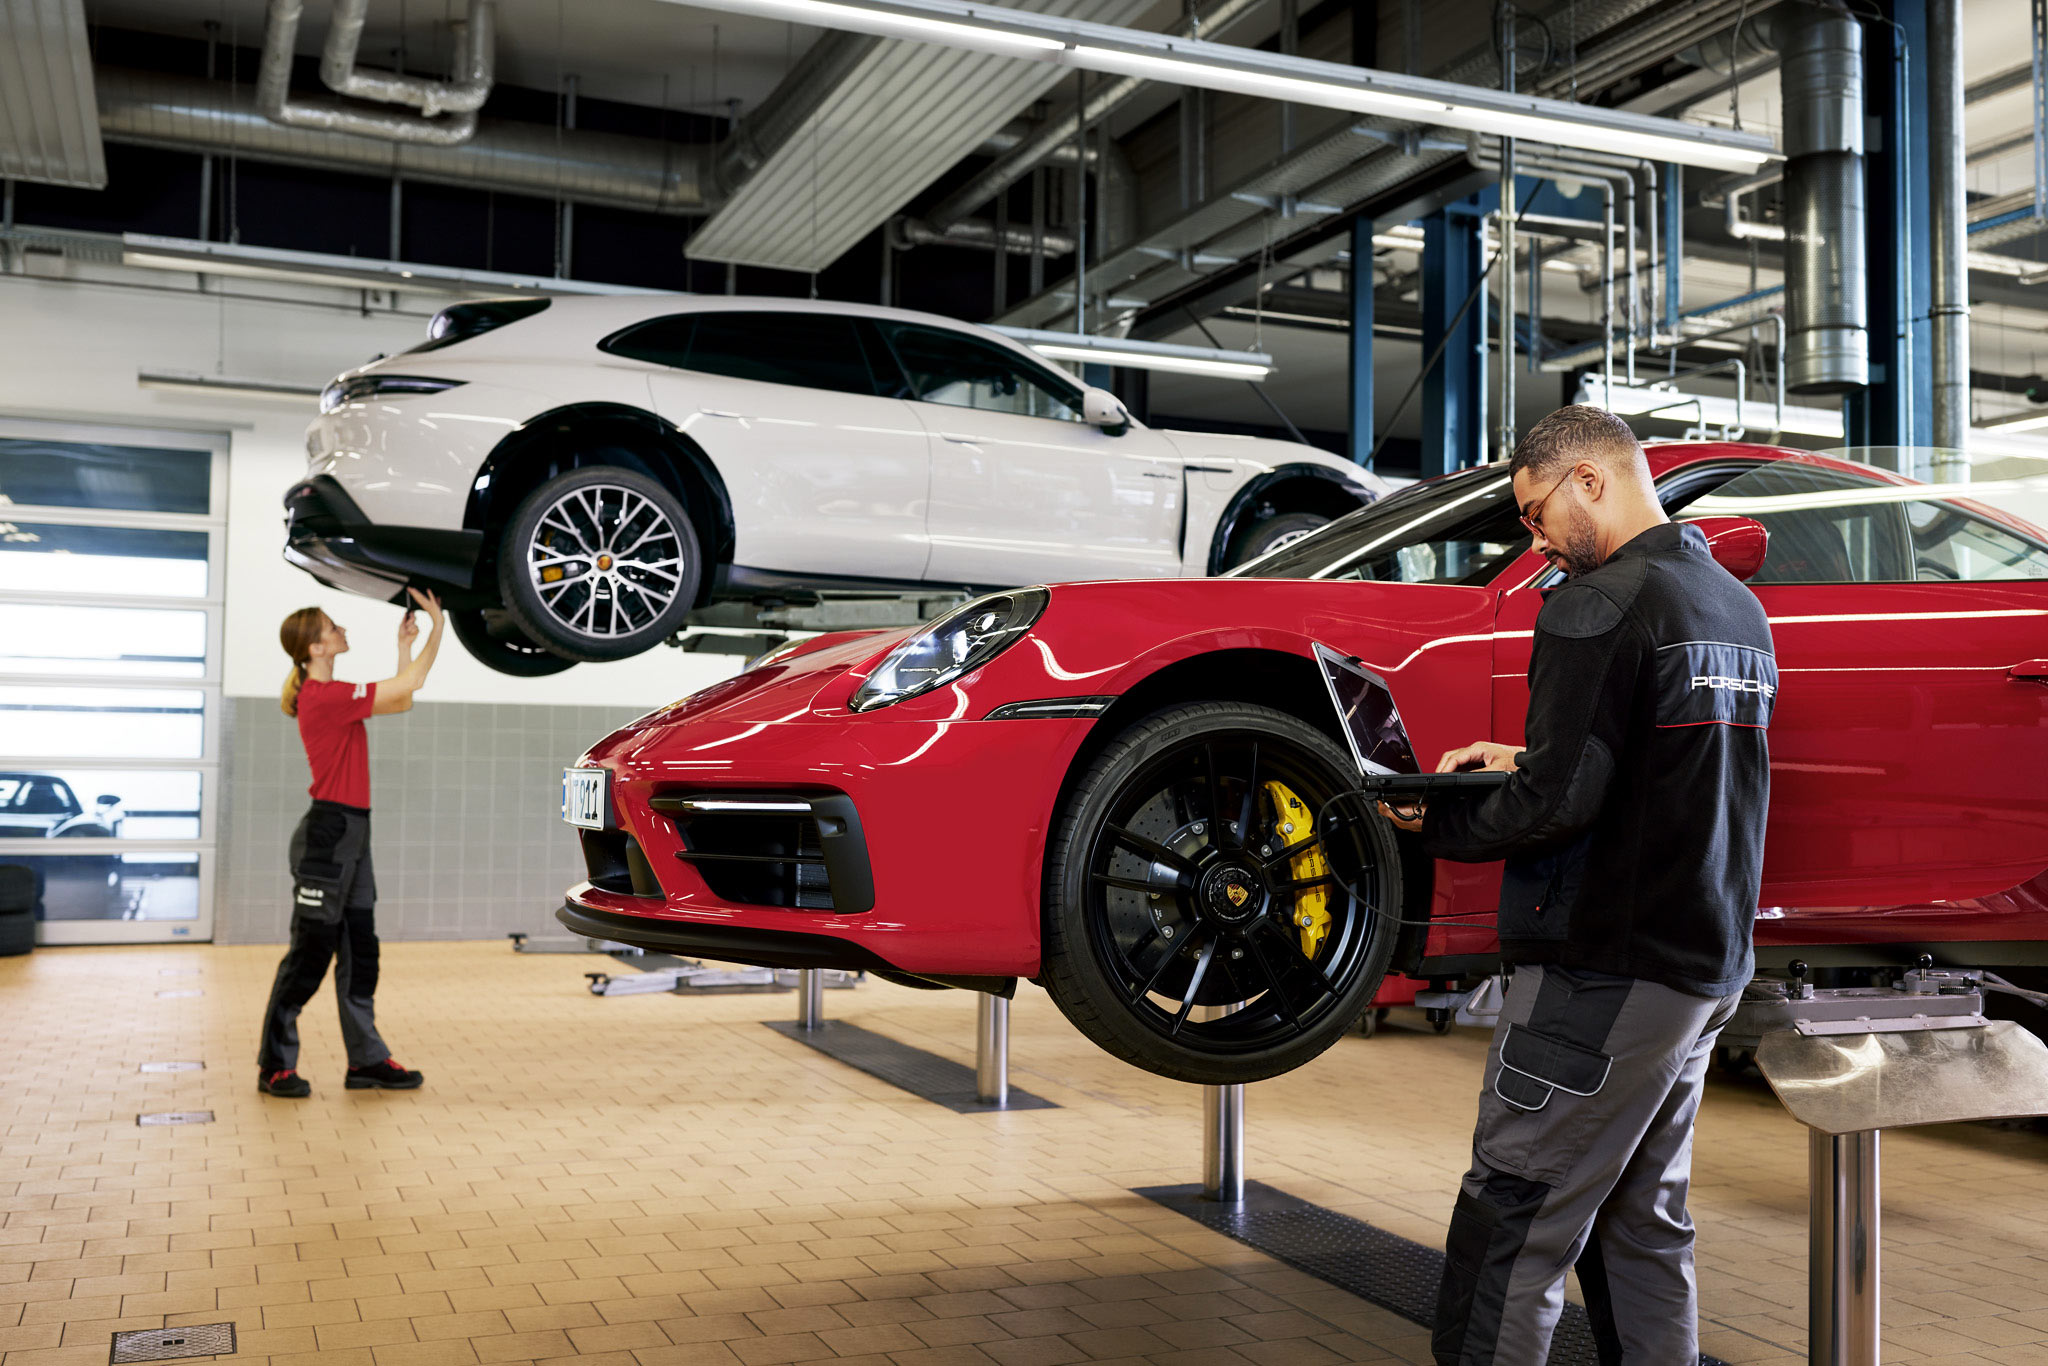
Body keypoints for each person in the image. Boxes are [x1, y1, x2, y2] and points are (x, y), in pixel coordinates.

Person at [1381, 406, 1777, 1363]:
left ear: (1589, 480)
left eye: (1534, 513)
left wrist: (1433, 814)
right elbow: (1664, 769)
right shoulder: (1733, 608)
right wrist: (1525, 755)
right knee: (1643, 1225)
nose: (1536, 540)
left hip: (1602, 970)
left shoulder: (1594, 602)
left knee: (1512, 1222)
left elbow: (1556, 806)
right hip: (1703, 966)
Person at [257, 589, 446, 1099]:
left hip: (353, 833)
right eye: (331, 626)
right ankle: (274, 1065)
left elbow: (402, 696)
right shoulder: (323, 698)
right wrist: (438, 625)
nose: (340, 629)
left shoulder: (335, 694)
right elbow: (412, 686)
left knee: (360, 949)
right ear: (314, 648)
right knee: (311, 953)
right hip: (328, 836)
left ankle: (365, 1060)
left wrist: (405, 646)